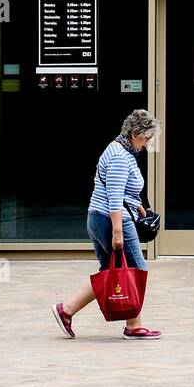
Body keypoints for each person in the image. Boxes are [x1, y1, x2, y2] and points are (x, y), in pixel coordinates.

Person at [52, 108, 162, 339]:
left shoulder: (119, 149)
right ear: (134, 133)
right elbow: (114, 196)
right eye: (146, 137)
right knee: (137, 269)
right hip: (111, 219)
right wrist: (118, 231)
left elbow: (123, 192)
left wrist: (141, 209)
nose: (147, 142)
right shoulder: (120, 157)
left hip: (99, 217)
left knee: (109, 272)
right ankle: (133, 325)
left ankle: (67, 310)